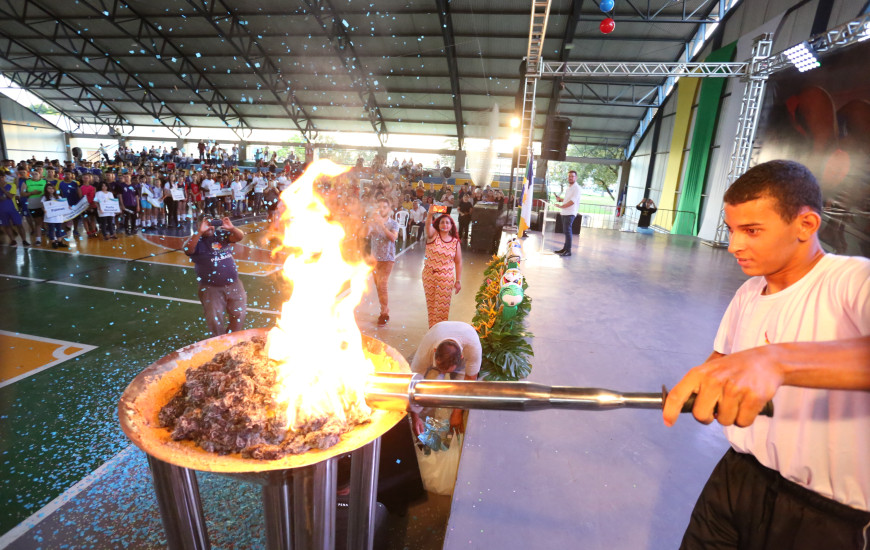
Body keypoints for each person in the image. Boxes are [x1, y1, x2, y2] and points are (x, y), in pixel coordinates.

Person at [662, 160, 870, 550]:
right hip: (738, 477)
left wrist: (775, 360)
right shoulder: (748, 293)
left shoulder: (854, 280)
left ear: (806, 226)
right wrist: (699, 386)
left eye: (752, 231)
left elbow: (762, 362)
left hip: (830, 513)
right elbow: (721, 363)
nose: (734, 245)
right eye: (732, 230)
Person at [409, 321, 481, 435]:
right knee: (428, 392)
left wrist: (457, 413)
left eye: (446, 371)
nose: (443, 373)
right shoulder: (426, 350)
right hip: (436, 339)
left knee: (460, 394)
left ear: (461, 357)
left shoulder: (472, 347)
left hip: (462, 357)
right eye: (441, 369)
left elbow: (470, 382)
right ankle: (424, 426)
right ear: (434, 351)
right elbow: (412, 385)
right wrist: (415, 418)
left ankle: (456, 416)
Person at [183, 216, 247, 336]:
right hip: (211, 288)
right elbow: (187, 249)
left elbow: (239, 237)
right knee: (214, 319)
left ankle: (231, 339)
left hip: (234, 284)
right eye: (205, 224)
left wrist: (232, 228)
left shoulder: (220, 235)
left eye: (211, 223)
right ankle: (219, 343)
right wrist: (200, 232)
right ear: (198, 226)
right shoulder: (197, 240)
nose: (209, 227)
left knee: (239, 314)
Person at [422, 209, 462, 328]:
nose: (445, 224)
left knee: (441, 309)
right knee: (431, 307)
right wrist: (430, 214)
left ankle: (439, 333)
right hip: (428, 276)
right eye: (442, 222)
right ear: (438, 225)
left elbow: (458, 262)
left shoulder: (455, 243)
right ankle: (432, 331)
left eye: (447, 223)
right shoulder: (433, 236)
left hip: (446, 278)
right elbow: (428, 226)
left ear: (451, 226)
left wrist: (458, 281)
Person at [368, 198, 399, 326]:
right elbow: (364, 233)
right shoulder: (373, 222)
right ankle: (384, 308)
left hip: (388, 258)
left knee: (382, 285)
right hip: (375, 259)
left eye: (384, 207)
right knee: (378, 286)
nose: (381, 209)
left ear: (389, 209)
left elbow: (393, 237)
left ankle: (384, 313)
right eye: (379, 206)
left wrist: (381, 225)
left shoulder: (393, 224)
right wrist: (369, 222)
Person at [553, 170, 581, 256]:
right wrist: (560, 200)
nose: (570, 178)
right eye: (569, 176)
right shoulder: (569, 187)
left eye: (572, 176)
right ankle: (565, 249)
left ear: (576, 177)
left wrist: (561, 206)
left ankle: (568, 251)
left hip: (570, 213)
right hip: (565, 212)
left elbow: (572, 201)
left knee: (568, 231)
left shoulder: (577, 188)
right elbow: (567, 200)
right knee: (566, 231)